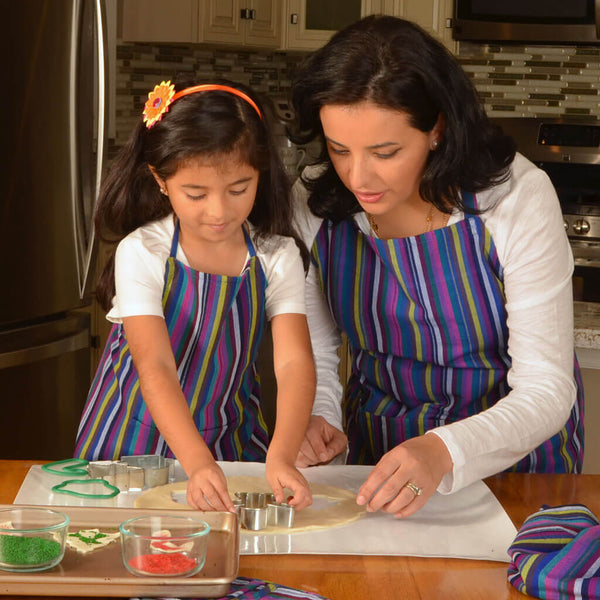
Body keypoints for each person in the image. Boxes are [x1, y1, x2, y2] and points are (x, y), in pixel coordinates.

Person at [290, 15, 584, 518]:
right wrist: (317, 418)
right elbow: (317, 351)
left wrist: (442, 450)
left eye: (385, 152)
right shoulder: (314, 200)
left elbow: (547, 388)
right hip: (376, 465)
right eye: (340, 149)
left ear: (437, 129)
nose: (358, 176)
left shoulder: (516, 197)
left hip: (513, 468)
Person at [75, 79, 315, 512]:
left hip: (230, 434)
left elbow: (294, 361)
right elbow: (156, 366)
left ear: (262, 174)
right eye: (196, 193)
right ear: (161, 181)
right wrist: (197, 461)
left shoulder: (277, 256)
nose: (219, 211)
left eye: (238, 189)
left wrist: (282, 453)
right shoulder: (142, 252)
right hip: (131, 441)